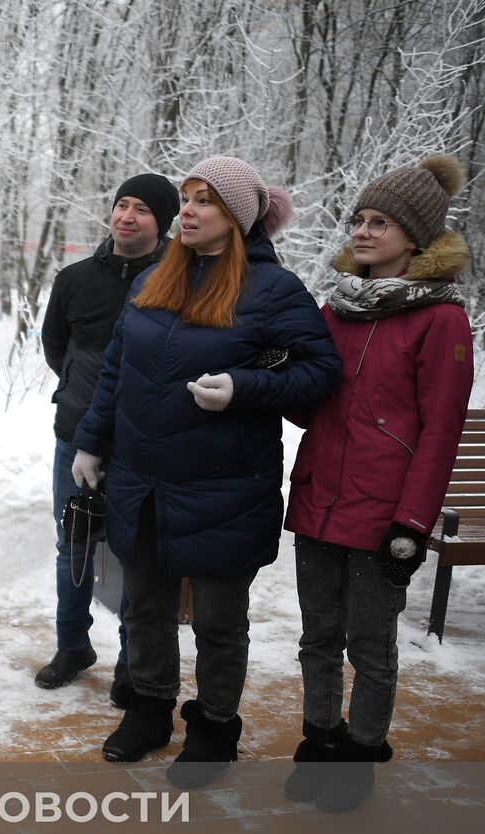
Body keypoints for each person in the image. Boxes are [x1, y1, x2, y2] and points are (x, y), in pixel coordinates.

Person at [71, 156, 340, 788]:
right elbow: (117, 370)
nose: (187, 211)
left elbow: (321, 374)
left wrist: (244, 387)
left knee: (219, 622)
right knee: (145, 610)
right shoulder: (154, 280)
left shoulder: (274, 290)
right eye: (186, 198)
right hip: (143, 481)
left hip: (226, 488)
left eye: (205, 201)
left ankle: (216, 726)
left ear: (239, 218)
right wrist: (92, 442)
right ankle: (150, 709)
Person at [283, 155, 473, 812]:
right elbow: (313, 407)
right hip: (317, 501)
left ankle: (361, 752)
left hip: (383, 514)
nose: (362, 231)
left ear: (415, 237)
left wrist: (412, 524)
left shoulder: (442, 319)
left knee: (368, 642)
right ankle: (319, 741)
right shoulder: (338, 309)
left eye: (380, 222)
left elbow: (440, 431)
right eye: (360, 219)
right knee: (316, 638)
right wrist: (281, 371)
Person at [39, 173, 180, 705]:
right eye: (122, 204)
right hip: (74, 436)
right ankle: (72, 645)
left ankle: (132, 660)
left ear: (161, 223)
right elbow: (57, 347)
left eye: (142, 209)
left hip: (144, 443)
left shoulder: (177, 279)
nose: (126, 216)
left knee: (136, 555)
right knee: (72, 545)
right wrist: (82, 391)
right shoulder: (74, 278)